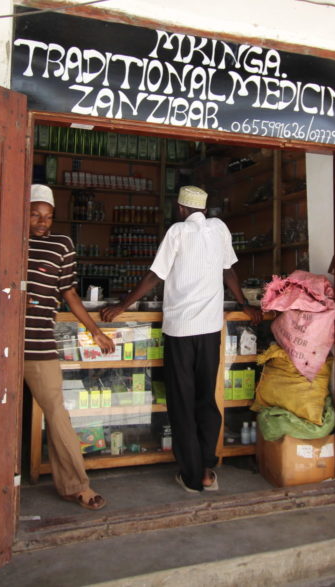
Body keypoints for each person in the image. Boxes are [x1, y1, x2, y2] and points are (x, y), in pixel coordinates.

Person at [101, 185, 261, 492]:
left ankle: (193, 474)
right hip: (210, 329)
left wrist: (124, 304)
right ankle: (207, 466)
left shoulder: (177, 231)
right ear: (203, 208)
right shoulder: (219, 228)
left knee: (182, 403)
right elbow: (229, 271)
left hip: (180, 331)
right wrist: (243, 304)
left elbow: (155, 275)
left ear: (180, 209)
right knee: (207, 400)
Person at [25, 184, 115, 510]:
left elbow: (70, 294)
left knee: (57, 414)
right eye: (35, 214)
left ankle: (77, 486)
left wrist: (96, 332)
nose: (41, 222)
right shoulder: (8, 239)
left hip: (38, 344)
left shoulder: (62, 245)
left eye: (47, 217)